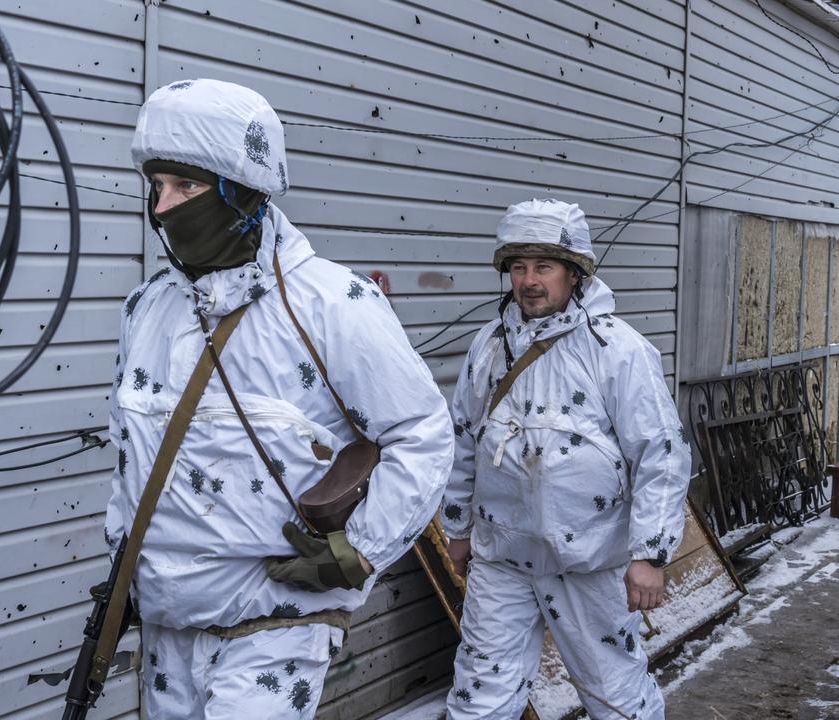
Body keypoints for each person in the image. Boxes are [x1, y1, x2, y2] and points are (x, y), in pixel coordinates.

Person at [105, 78, 454, 719]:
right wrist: (124, 557)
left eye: (185, 187)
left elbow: (422, 434)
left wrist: (361, 549)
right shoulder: (147, 308)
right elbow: (131, 451)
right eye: (155, 187)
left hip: (274, 624)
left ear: (242, 193)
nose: (162, 209)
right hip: (166, 627)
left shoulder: (332, 305)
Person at [441, 199, 691, 719]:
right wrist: (458, 528)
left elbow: (660, 452)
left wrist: (649, 555)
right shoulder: (488, 346)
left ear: (574, 274)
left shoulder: (616, 350)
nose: (529, 280)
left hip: (590, 562)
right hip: (501, 558)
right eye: (518, 266)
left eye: (544, 267)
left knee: (615, 695)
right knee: (480, 695)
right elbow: (464, 440)